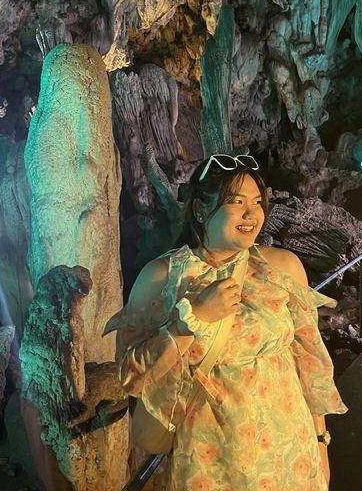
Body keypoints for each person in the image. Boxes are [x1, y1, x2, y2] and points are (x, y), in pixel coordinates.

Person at [104, 154, 348, 490]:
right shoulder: (164, 277)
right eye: (236, 202)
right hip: (211, 462)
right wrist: (194, 318)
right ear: (202, 210)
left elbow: (308, 363)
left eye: (258, 202)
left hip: (289, 454)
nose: (252, 214)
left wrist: (321, 442)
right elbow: (131, 375)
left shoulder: (283, 268)